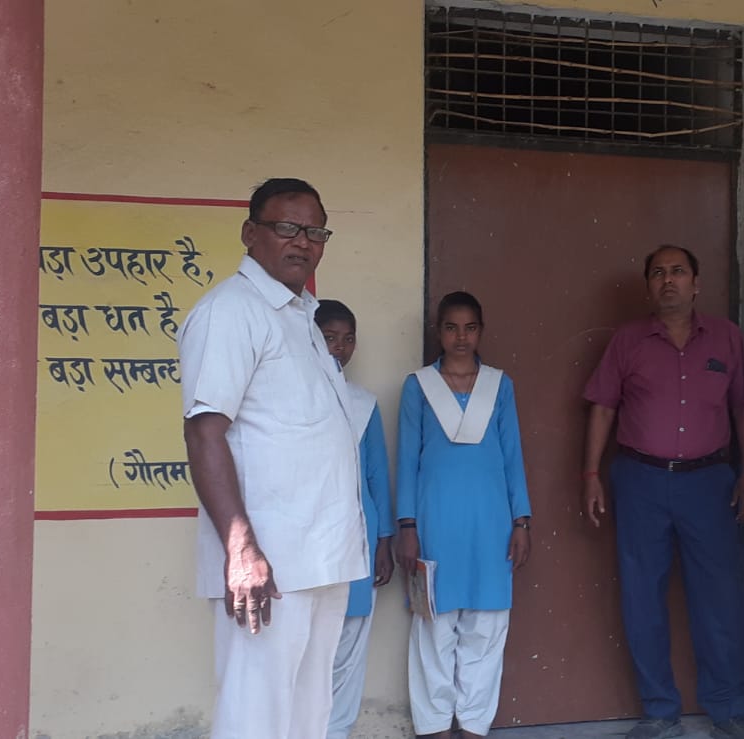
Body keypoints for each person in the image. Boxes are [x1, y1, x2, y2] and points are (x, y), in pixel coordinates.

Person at [177, 178, 368, 739]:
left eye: (315, 232)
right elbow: (204, 434)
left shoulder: (303, 317)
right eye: (287, 227)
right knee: (255, 717)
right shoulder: (231, 312)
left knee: (309, 716)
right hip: (268, 563)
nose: (302, 241)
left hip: (321, 558)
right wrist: (242, 551)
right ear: (250, 233)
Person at [581, 245, 744, 739]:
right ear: (649, 286)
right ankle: (660, 711)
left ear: (696, 283)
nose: (669, 280)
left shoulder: (726, 337)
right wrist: (591, 474)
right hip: (640, 481)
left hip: (711, 483)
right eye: (658, 273)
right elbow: (603, 407)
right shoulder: (627, 341)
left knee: (721, 599)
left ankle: (729, 709)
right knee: (642, 597)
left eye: (678, 271)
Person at [394, 291, 533, 739]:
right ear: (439, 331)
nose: (460, 337)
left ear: (480, 331)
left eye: (469, 328)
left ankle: (473, 727)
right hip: (434, 524)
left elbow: (512, 456)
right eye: (451, 327)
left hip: (491, 525)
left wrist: (521, 521)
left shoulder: (499, 385)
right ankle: (435, 727)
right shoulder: (418, 386)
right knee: (433, 627)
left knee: (486, 627)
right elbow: (407, 460)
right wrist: (407, 525)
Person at [316, 299, 395, 739]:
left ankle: (337, 731)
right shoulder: (291, 401)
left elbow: (376, 476)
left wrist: (384, 540)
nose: (339, 348)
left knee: (349, 646)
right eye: (329, 337)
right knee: (308, 650)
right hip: (311, 544)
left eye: (348, 339)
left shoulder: (363, 404)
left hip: (358, 539)